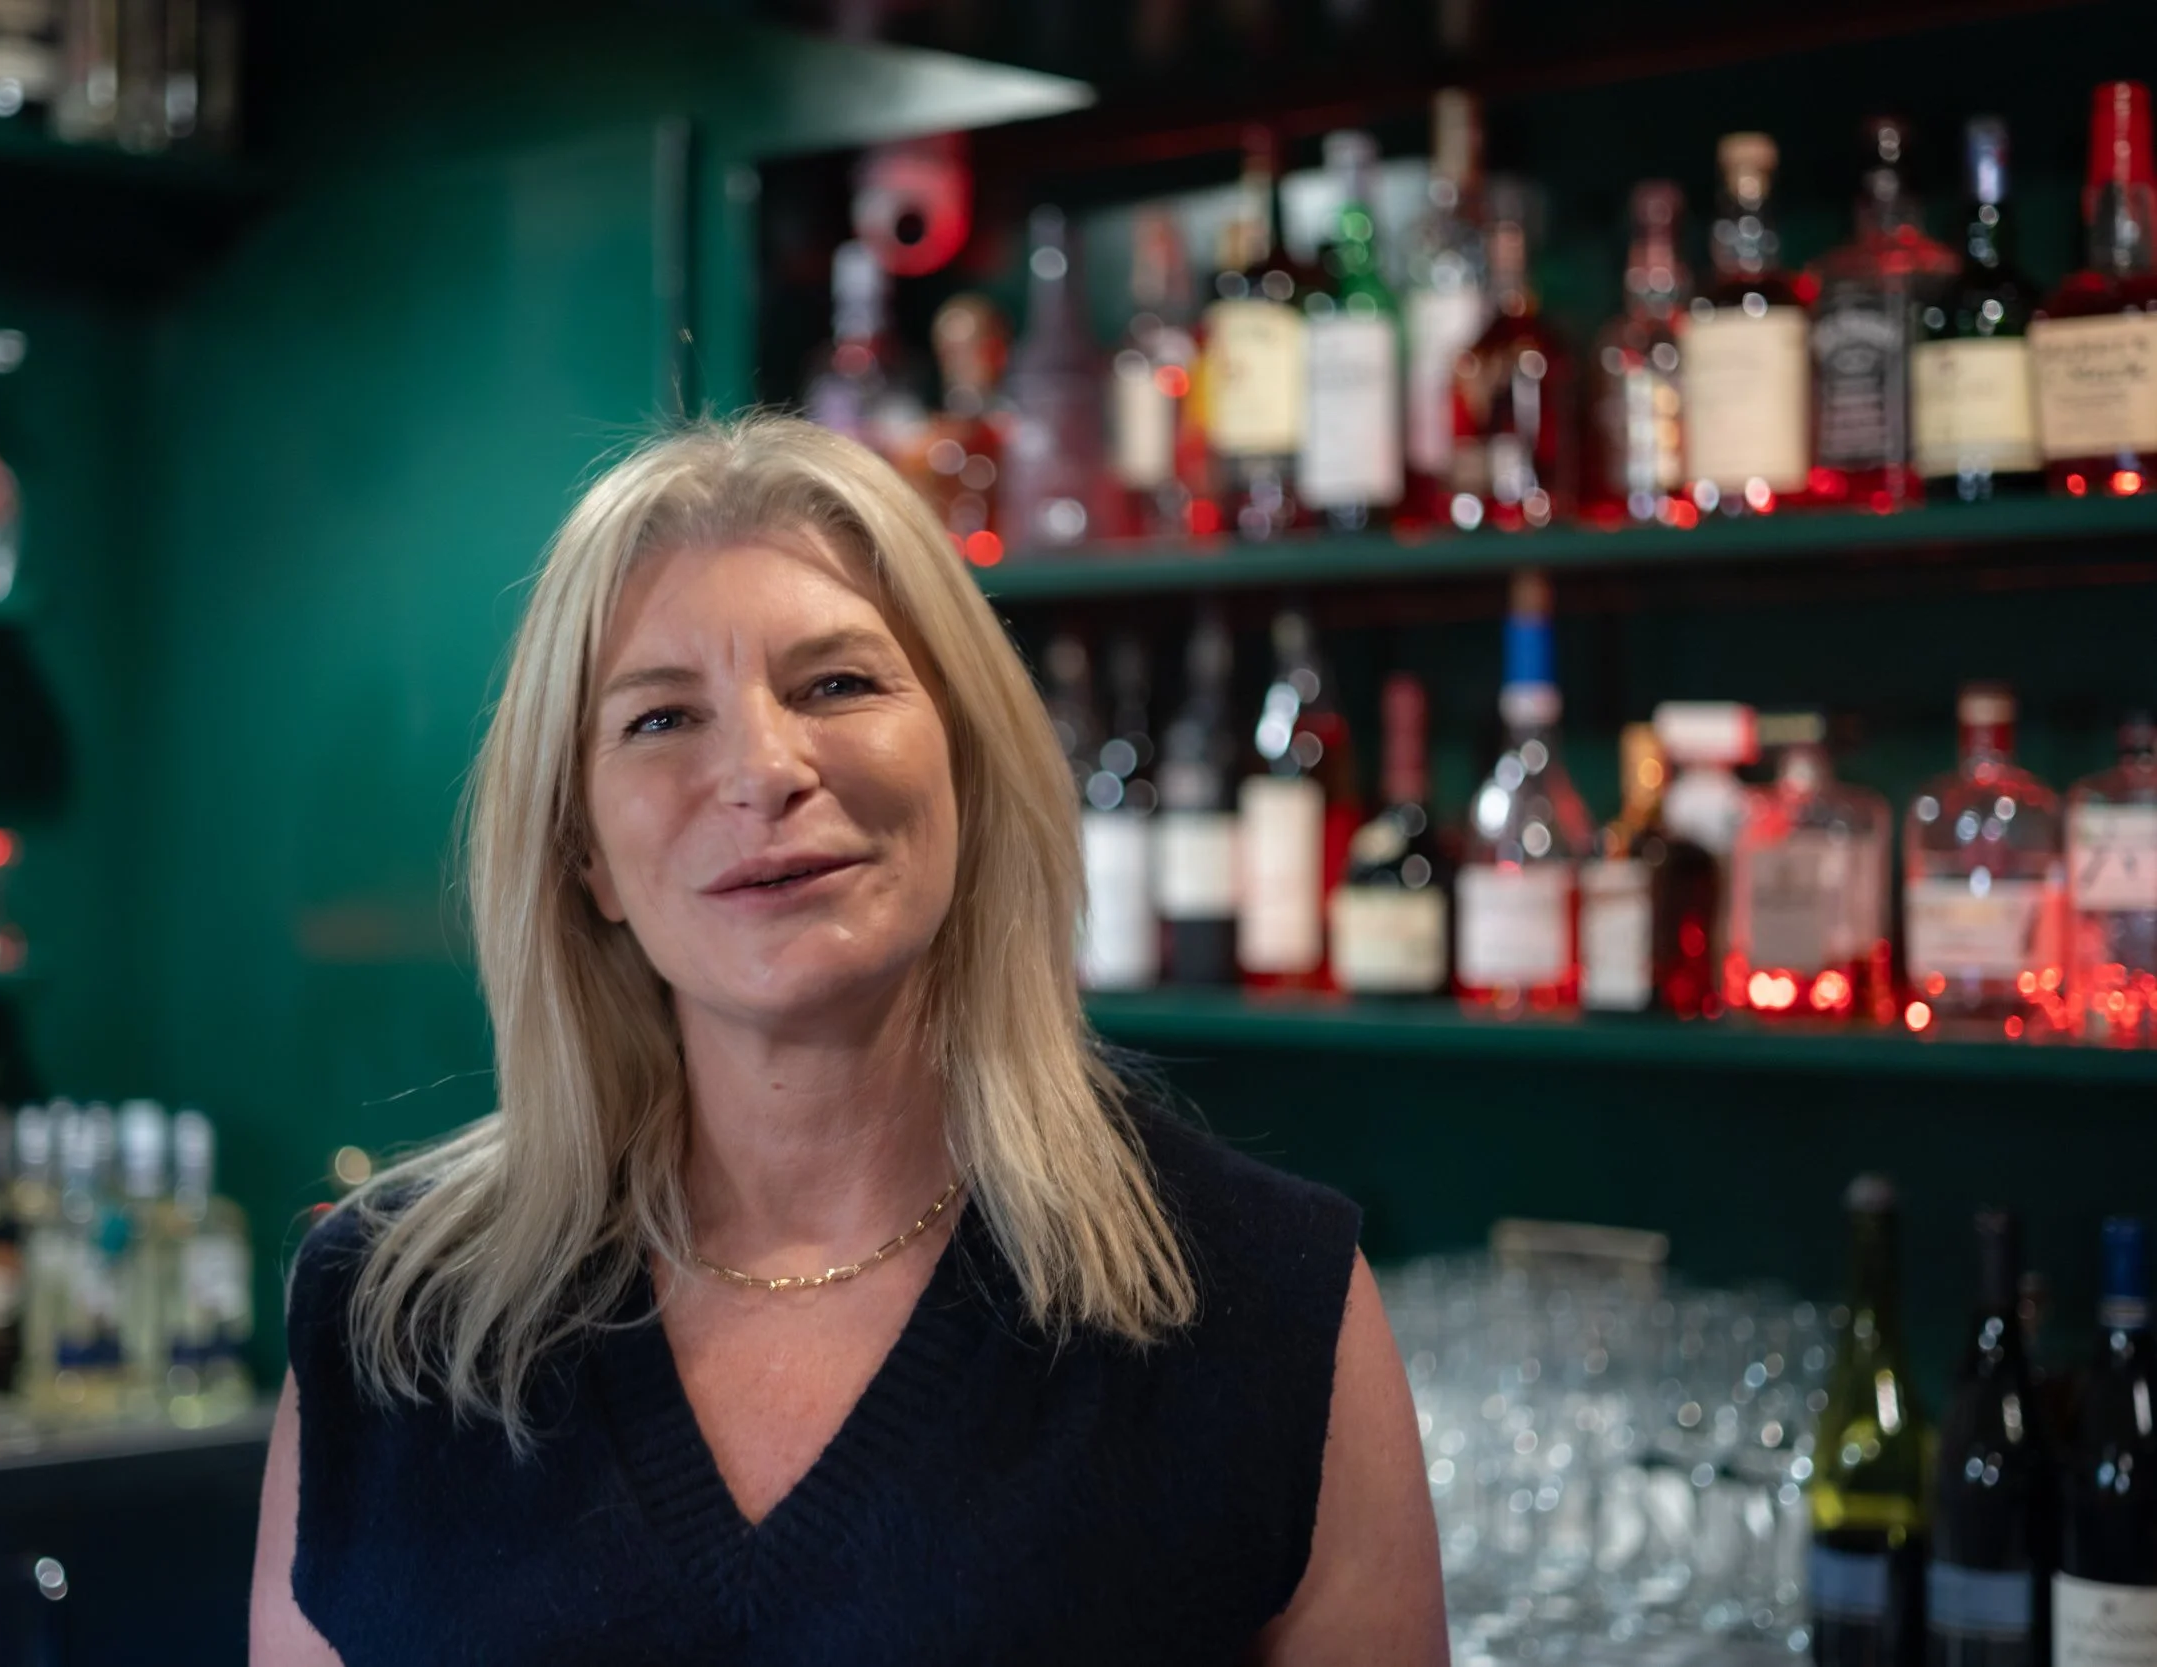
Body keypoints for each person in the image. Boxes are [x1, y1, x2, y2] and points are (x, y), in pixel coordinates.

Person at [249, 415, 1445, 1665]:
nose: (763, 769)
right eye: (661, 719)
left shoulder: (1264, 1296)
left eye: (837, 684)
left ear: (968, 768)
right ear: (583, 852)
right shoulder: (386, 1317)